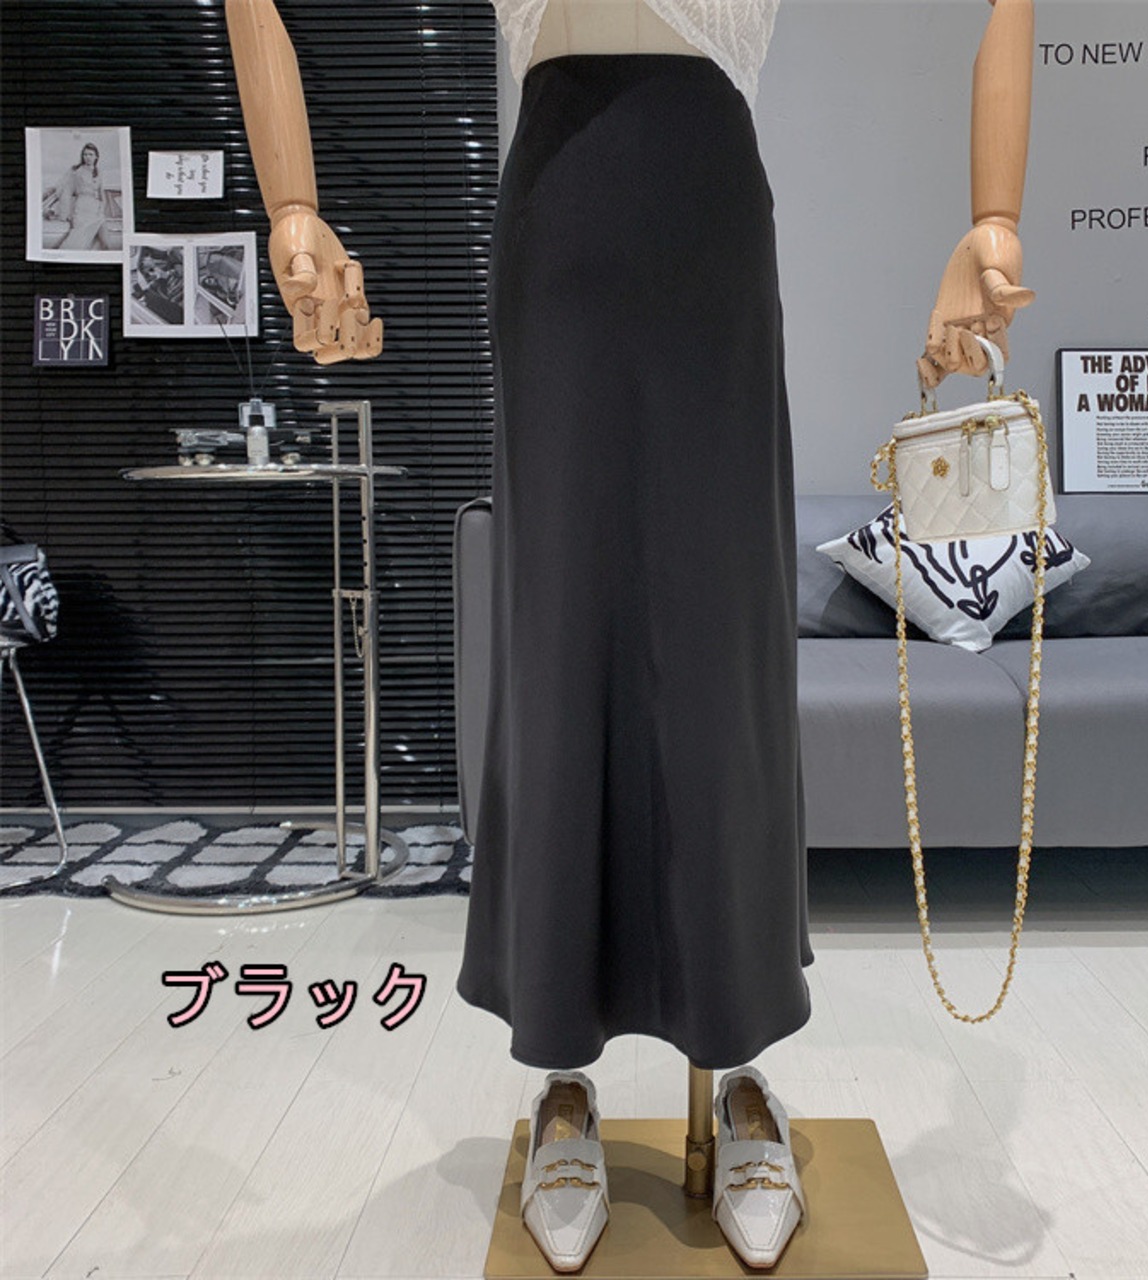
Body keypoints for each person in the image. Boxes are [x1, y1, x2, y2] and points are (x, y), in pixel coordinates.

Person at [226, 0, 1035, 1269]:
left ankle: (742, 1057)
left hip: (709, 217)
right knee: (559, 636)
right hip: (557, 220)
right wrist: (291, 206)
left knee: (724, 648)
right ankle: (562, 1070)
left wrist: (991, 217)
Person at [46, 142, 109, 252]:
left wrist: (101, 210)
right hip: (81, 210)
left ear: (96, 157)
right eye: (85, 154)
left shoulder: (99, 172)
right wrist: (66, 214)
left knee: (106, 244)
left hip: (97, 212)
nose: (87, 157)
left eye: (90, 154)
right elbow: (66, 192)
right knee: (78, 243)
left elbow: (102, 193)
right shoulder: (76, 171)